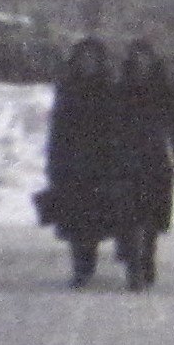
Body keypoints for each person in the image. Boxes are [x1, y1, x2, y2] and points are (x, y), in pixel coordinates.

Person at [36, 36, 121, 287]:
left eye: (92, 59)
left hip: (100, 161)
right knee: (76, 218)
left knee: (95, 216)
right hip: (72, 162)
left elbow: (116, 125)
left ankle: (89, 258)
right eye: (84, 59)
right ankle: (81, 267)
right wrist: (55, 160)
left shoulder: (108, 88)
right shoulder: (68, 88)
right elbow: (59, 128)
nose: (88, 64)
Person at [110, 39, 174, 290]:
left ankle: (147, 256)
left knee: (152, 216)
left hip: (155, 160)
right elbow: (109, 128)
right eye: (137, 57)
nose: (141, 63)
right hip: (126, 161)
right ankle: (134, 264)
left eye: (145, 57)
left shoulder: (163, 92)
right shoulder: (120, 90)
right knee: (129, 215)